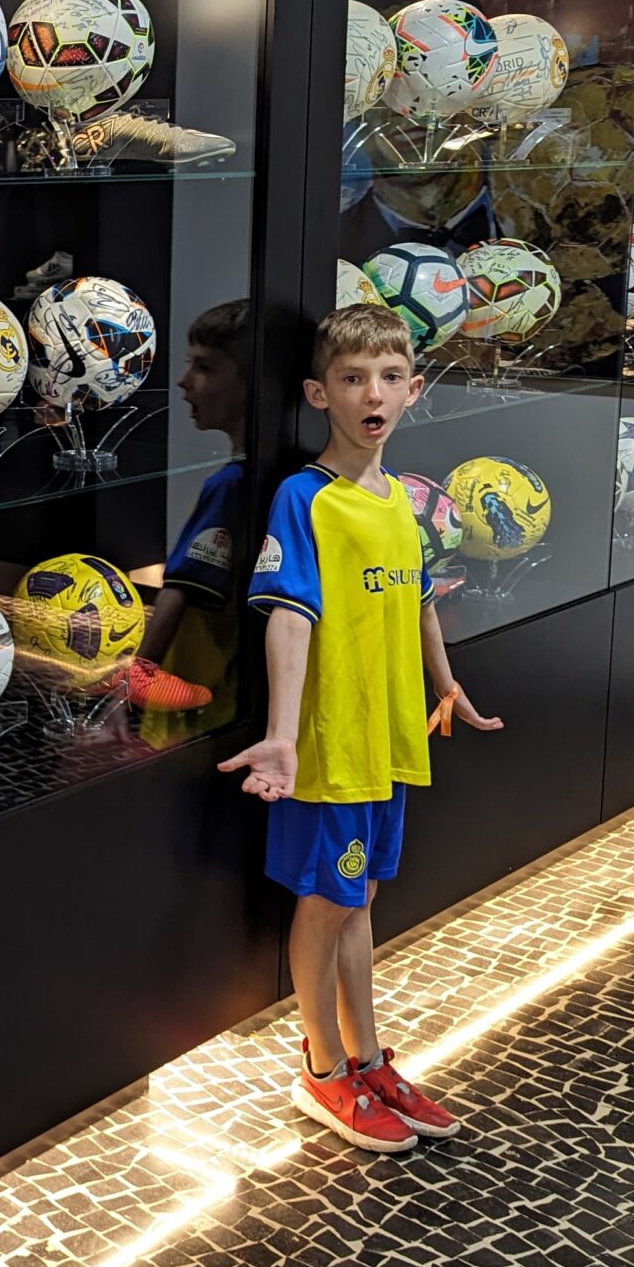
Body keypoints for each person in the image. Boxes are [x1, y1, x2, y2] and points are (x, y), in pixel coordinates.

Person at [220, 301, 503, 1154]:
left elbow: (416, 606)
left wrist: (447, 685)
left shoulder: (402, 506)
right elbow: (289, 617)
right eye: (351, 379)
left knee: (363, 896)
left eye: (387, 378)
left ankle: (368, 1057)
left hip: (390, 742)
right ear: (319, 393)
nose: (370, 394)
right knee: (327, 900)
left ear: (413, 391)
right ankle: (320, 1068)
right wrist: (282, 733)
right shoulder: (304, 500)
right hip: (331, 747)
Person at [123, 301, 250, 735]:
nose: (184, 381)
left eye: (205, 367)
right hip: (232, 707)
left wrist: (128, 692)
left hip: (190, 715)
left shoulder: (230, 487)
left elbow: (178, 593)